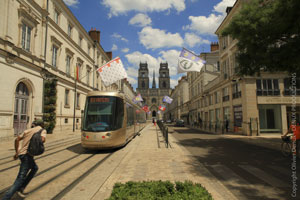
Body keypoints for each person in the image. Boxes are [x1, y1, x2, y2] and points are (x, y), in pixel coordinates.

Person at [2, 120, 47, 200]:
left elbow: (17, 139)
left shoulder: (28, 130)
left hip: (22, 154)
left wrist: (17, 153)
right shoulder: (42, 130)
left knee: (34, 168)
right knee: (20, 177)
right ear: (42, 125)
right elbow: (42, 139)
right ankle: (6, 197)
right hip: (28, 155)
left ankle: (21, 188)